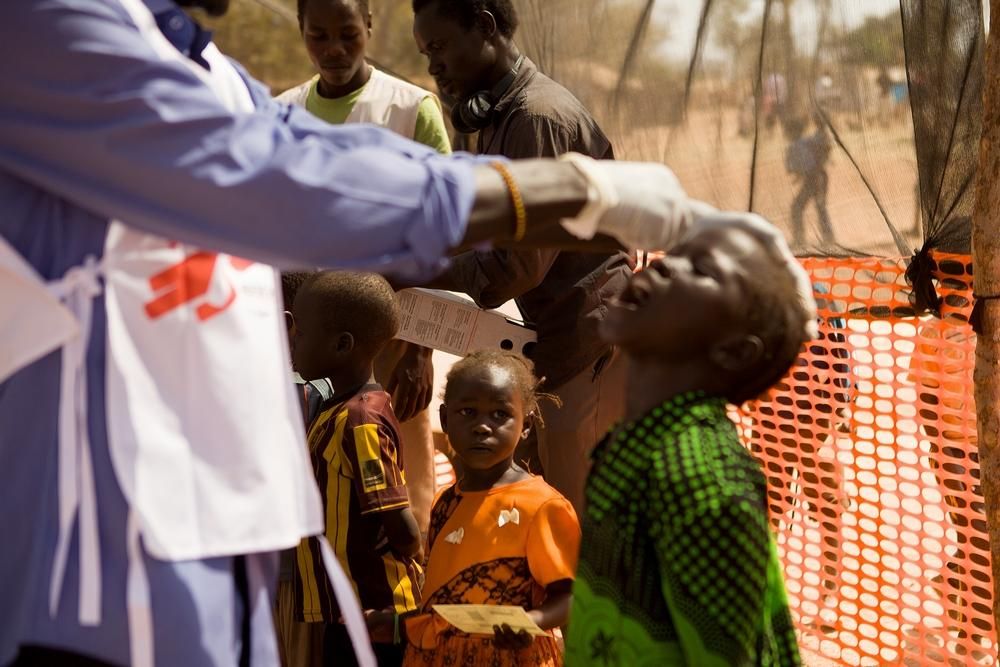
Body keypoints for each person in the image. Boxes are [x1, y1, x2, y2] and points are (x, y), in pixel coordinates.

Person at [0, 0, 759, 663]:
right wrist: (559, 192)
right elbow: (271, 173)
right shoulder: (46, 28)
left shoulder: (197, 61)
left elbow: (308, 150)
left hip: (213, 543)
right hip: (93, 561)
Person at [412, 0, 633, 513]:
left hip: (584, 341)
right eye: (426, 54)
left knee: (575, 515)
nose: (434, 66)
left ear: (485, 27)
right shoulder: (500, 116)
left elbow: (515, 267)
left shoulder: (536, 119)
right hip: (556, 340)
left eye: (440, 47)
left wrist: (414, 267)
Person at [564, 218, 816, 666]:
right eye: (676, 254)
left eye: (701, 269)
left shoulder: (698, 475)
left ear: (734, 350)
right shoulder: (637, 442)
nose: (665, 266)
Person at [277, 0, 451, 543]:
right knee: (316, 462)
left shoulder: (411, 109)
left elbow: (442, 235)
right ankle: (321, 581)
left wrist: (420, 350)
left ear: (369, 26)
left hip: (391, 333)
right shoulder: (281, 116)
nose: (334, 49)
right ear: (301, 31)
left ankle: (407, 582)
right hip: (307, 335)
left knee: (400, 464)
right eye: (319, 35)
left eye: (348, 34)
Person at [398, 350, 579, 666]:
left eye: (499, 414)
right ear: (444, 419)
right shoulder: (445, 503)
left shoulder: (542, 505)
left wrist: (534, 620)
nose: (482, 426)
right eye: (468, 412)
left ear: (526, 425)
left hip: (510, 656)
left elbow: (571, 596)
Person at [289, 271, 422, 666]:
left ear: (342, 344)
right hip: (345, 611)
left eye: (302, 332)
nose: (292, 339)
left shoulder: (361, 421)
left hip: (376, 615)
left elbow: (401, 526)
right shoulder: (336, 409)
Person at [785, 116, 835, 248]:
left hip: (816, 178)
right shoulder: (808, 141)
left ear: (793, 132)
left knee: (800, 207)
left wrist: (799, 173)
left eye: (788, 132)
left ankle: (801, 239)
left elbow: (807, 164)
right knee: (817, 207)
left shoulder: (799, 145)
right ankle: (826, 237)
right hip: (816, 177)